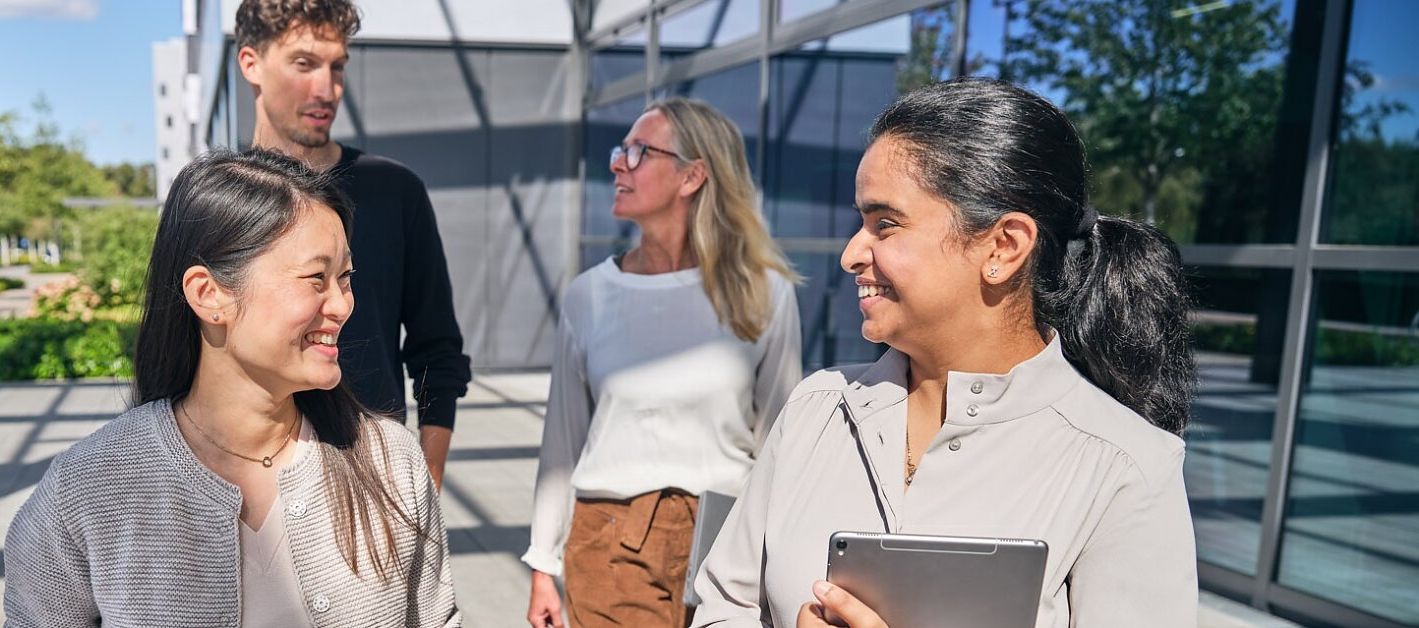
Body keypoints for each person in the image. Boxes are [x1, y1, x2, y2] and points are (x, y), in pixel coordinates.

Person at [689, 77, 1199, 628]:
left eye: (885, 224)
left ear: (1003, 247)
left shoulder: (1127, 467)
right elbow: (723, 607)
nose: (850, 254)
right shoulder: (817, 407)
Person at [2, 148, 459, 627]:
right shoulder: (87, 488)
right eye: (316, 278)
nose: (343, 305)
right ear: (209, 294)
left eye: (345, 278)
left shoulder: (392, 462)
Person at [524, 97, 804, 628]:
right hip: (611, 539)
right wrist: (542, 563)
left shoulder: (767, 293)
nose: (616, 163)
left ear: (693, 175)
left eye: (638, 151)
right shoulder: (590, 295)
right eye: (620, 150)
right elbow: (562, 440)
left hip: (729, 538)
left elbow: (780, 439)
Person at [235, 0, 470, 487]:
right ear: (251, 63)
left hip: (371, 473)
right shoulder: (218, 201)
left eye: (337, 66)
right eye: (304, 64)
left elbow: (438, 350)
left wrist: (427, 480)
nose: (326, 89)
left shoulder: (394, 191)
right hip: (244, 480)